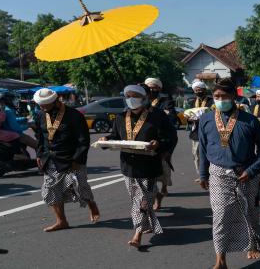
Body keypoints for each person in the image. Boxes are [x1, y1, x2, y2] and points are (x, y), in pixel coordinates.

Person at [198, 78, 260, 268]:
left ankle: (252, 244)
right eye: (216, 96)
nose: (220, 99)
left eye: (224, 96)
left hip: (246, 173)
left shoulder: (249, 120)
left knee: (250, 212)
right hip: (218, 174)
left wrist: (252, 170)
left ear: (233, 97)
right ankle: (220, 260)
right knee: (221, 215)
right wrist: (203, 174)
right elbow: (203, 150)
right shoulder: (205, 119)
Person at [99, 85, 176, 248]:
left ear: (143, 98)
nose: (131, 98)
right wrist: (105, 140)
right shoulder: (120, 117)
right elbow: (115, 136)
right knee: (135, 198)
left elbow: (170, 137)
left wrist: (158, 144)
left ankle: (137, 234)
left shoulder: (157, 116)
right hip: (128, 166)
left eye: (134, 95)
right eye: (128, 96)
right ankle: (146, 223)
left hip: (149, 166)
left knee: (142, 200)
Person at [34, 88, 99, 232]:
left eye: (45, 105)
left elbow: (83, 141)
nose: (41, 108)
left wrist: (77, 159)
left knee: (80, 186)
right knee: (50, 189)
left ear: (55, 101)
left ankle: (91, 204)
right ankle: (61, 221)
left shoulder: (74, 115)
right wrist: (39, 154)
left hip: (71, 158)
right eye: (40, 105)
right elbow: (39, 137)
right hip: (49, 158)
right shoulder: (39, 115)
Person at [145, 77, 178, 210]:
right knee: (148, 174)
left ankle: (163, 190)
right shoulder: (141, 102)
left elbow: (171, 117)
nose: (152, 90)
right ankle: (153, 195)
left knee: (164, 167)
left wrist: (158, 114)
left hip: (164, 139)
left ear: (159, 88)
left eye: (154, 87)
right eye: (149, 87)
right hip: (146, 140)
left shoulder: (165, 101)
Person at [186, 81, 214, 178]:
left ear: (205, 90)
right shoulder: (192, 101)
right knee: (196, 154)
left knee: (209, 153)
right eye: (196, 90)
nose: (198, 91)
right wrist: (189, 119)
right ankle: (201, 175)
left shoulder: (212, 101)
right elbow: (188, 115)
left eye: (200, 89)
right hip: (196, 132)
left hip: (209, 131)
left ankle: (211, 174)